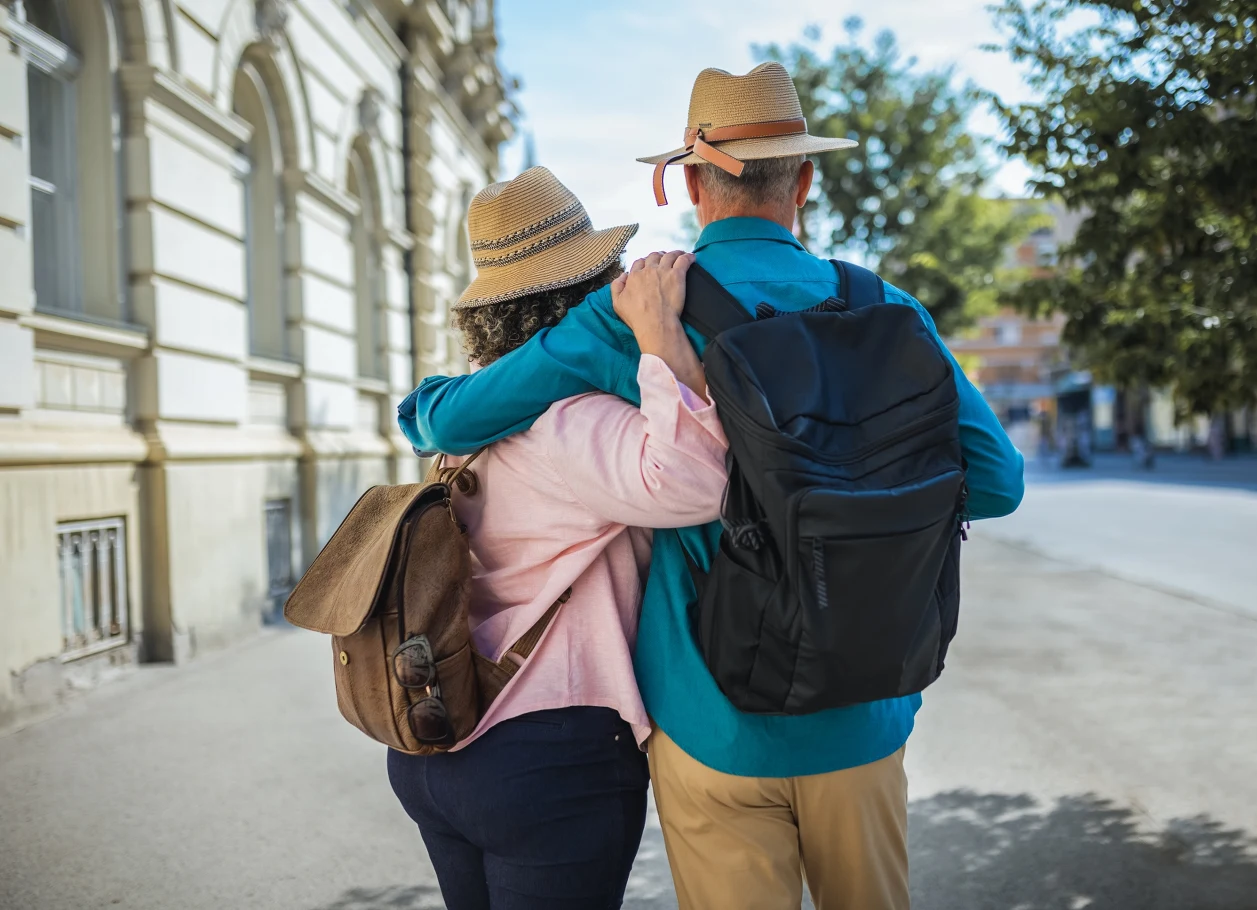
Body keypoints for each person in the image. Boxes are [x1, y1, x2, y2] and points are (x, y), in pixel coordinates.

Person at [399, 64, 1026, 910]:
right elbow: (995, 484)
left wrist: (424, 404)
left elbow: (457, 418)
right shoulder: (888, 310)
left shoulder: (633, 311)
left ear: (693, 183)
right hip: (867, 711)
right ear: (804, 179)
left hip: (709, 716)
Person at [386, 166, 729, 910]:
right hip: (549, 753)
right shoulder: (567, 419)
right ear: (589, 285)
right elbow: (698, 485)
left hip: (436, 742)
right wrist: (661, 334)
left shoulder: (473, 416)